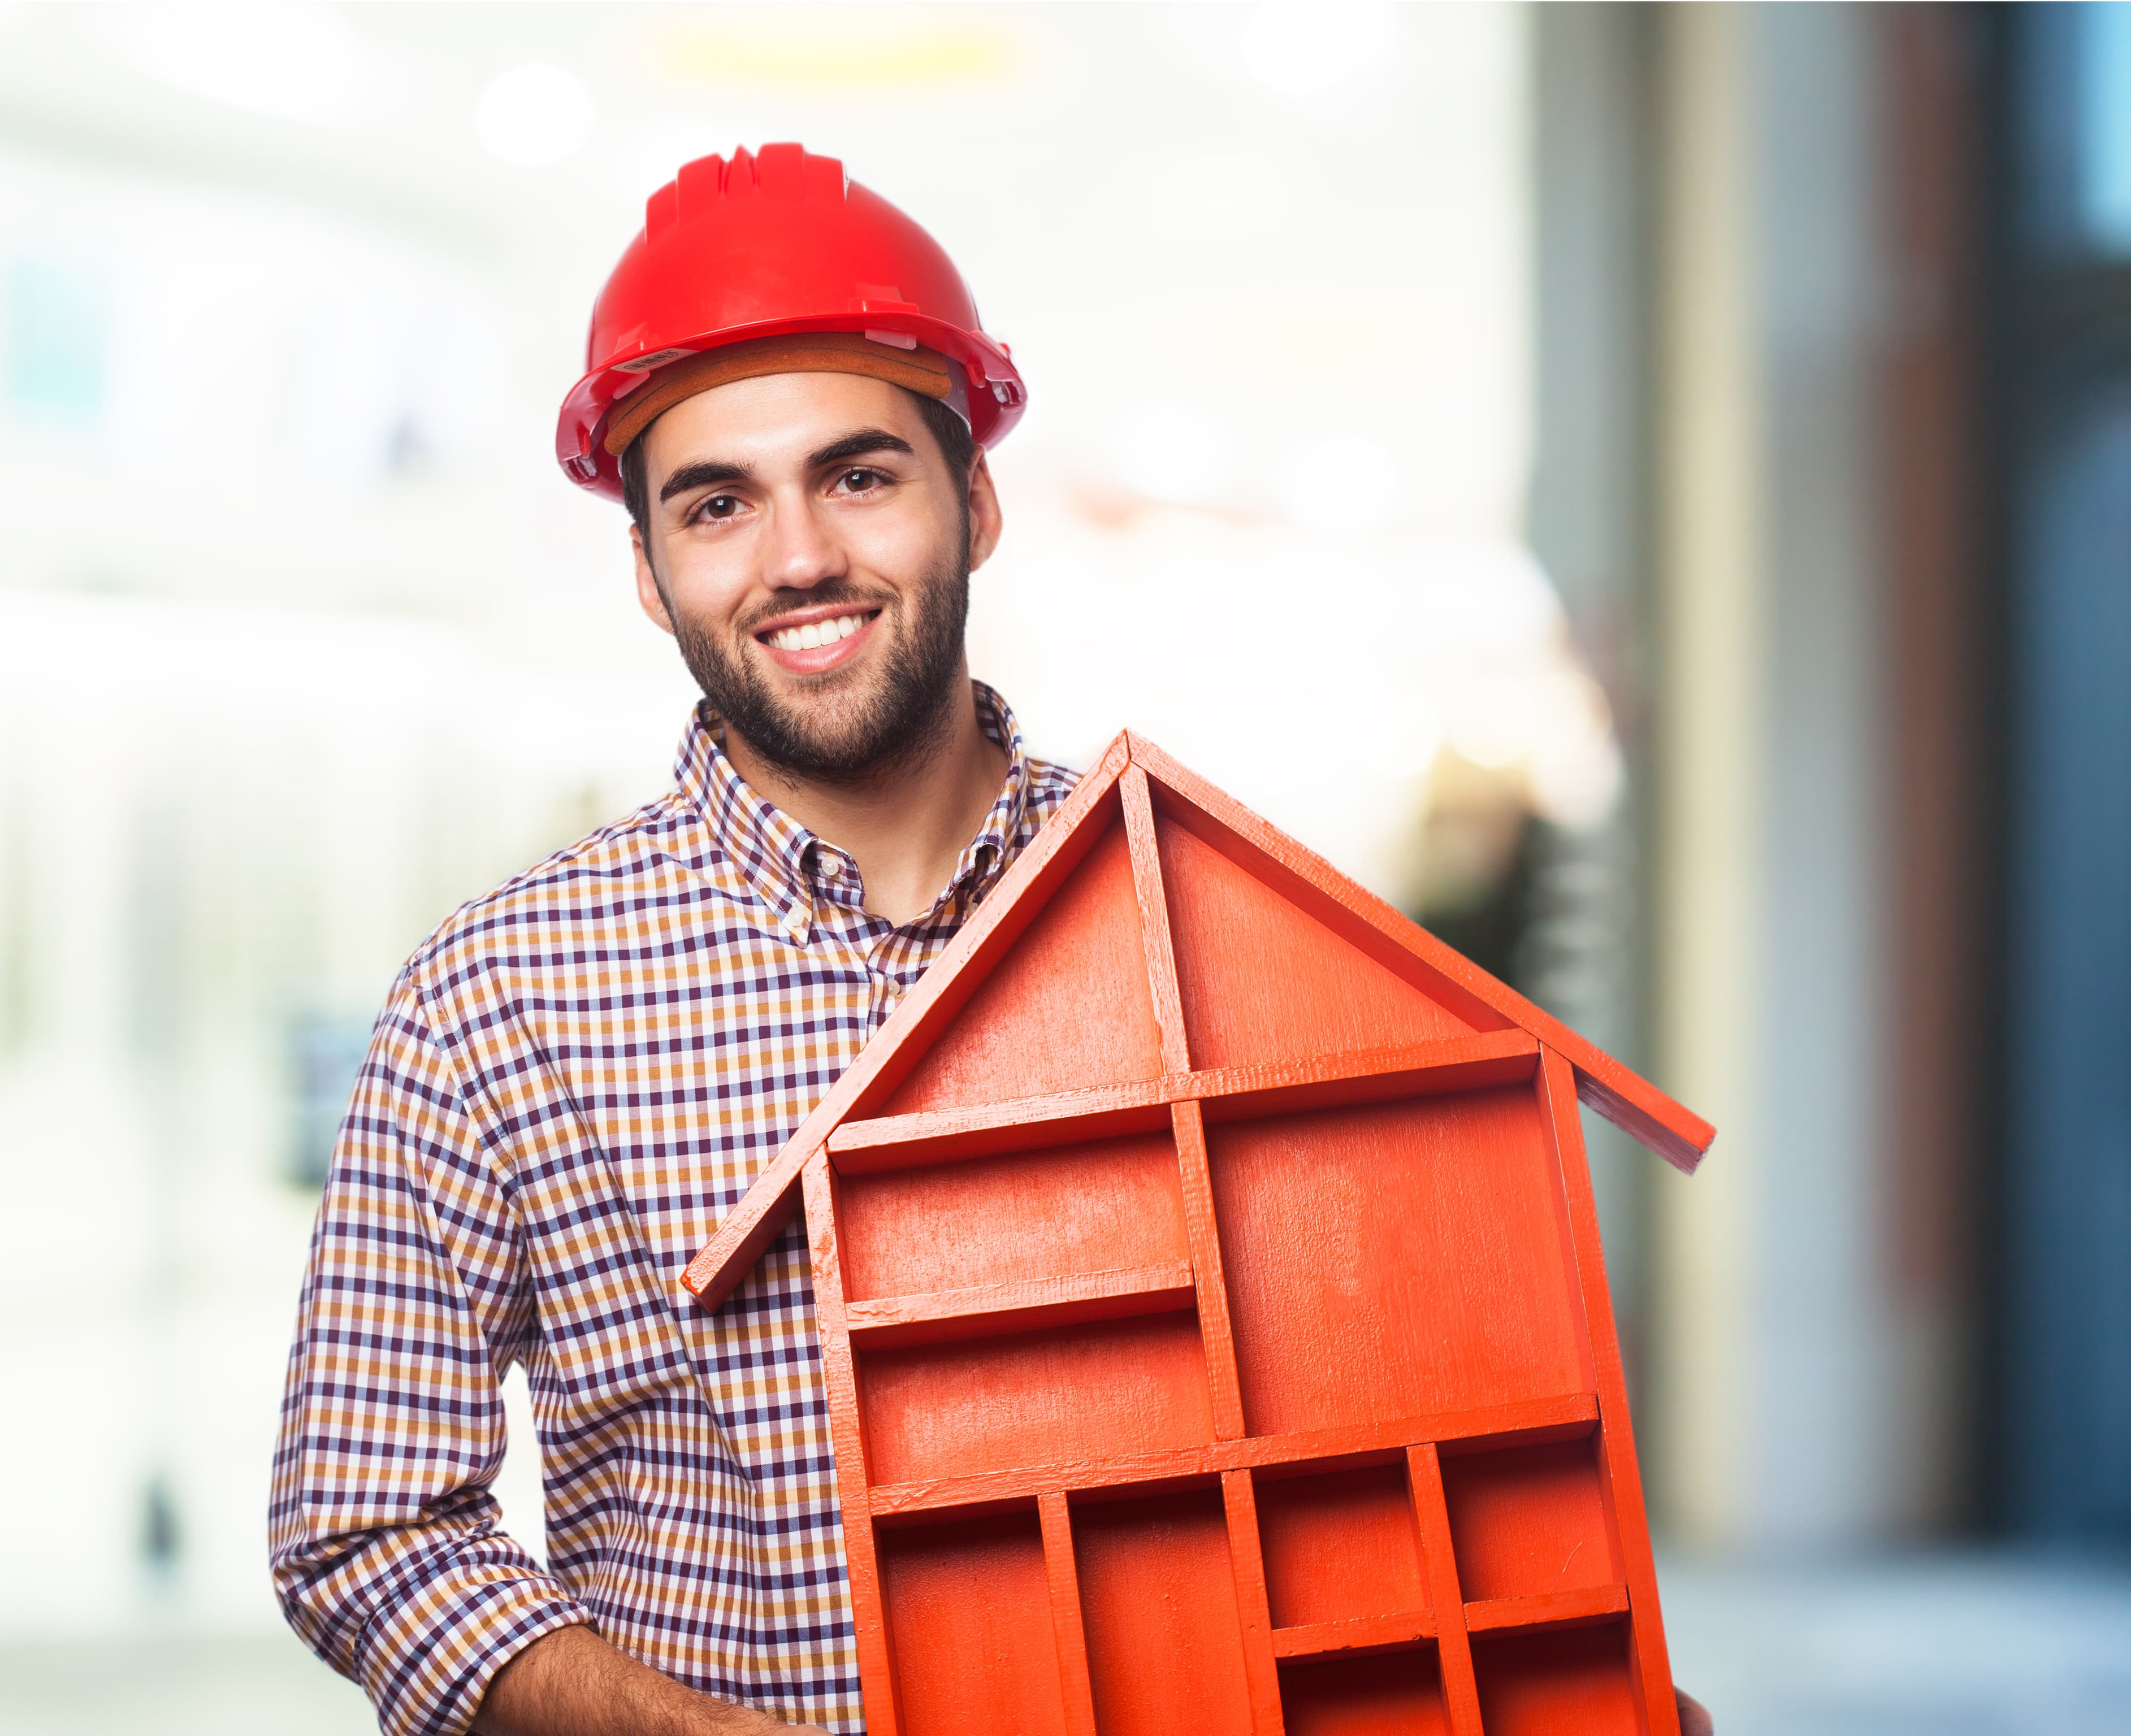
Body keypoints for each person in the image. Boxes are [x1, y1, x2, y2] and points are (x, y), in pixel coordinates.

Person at [270, 145, 1712, 1736]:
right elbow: (366, 1526)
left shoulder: (1195, 924)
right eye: (717, 504)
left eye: (860, 474)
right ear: (647, 568)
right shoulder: (495, 1004)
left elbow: (1379, 1444)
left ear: (976, 497)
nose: (799, 555)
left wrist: (1554, 1678)